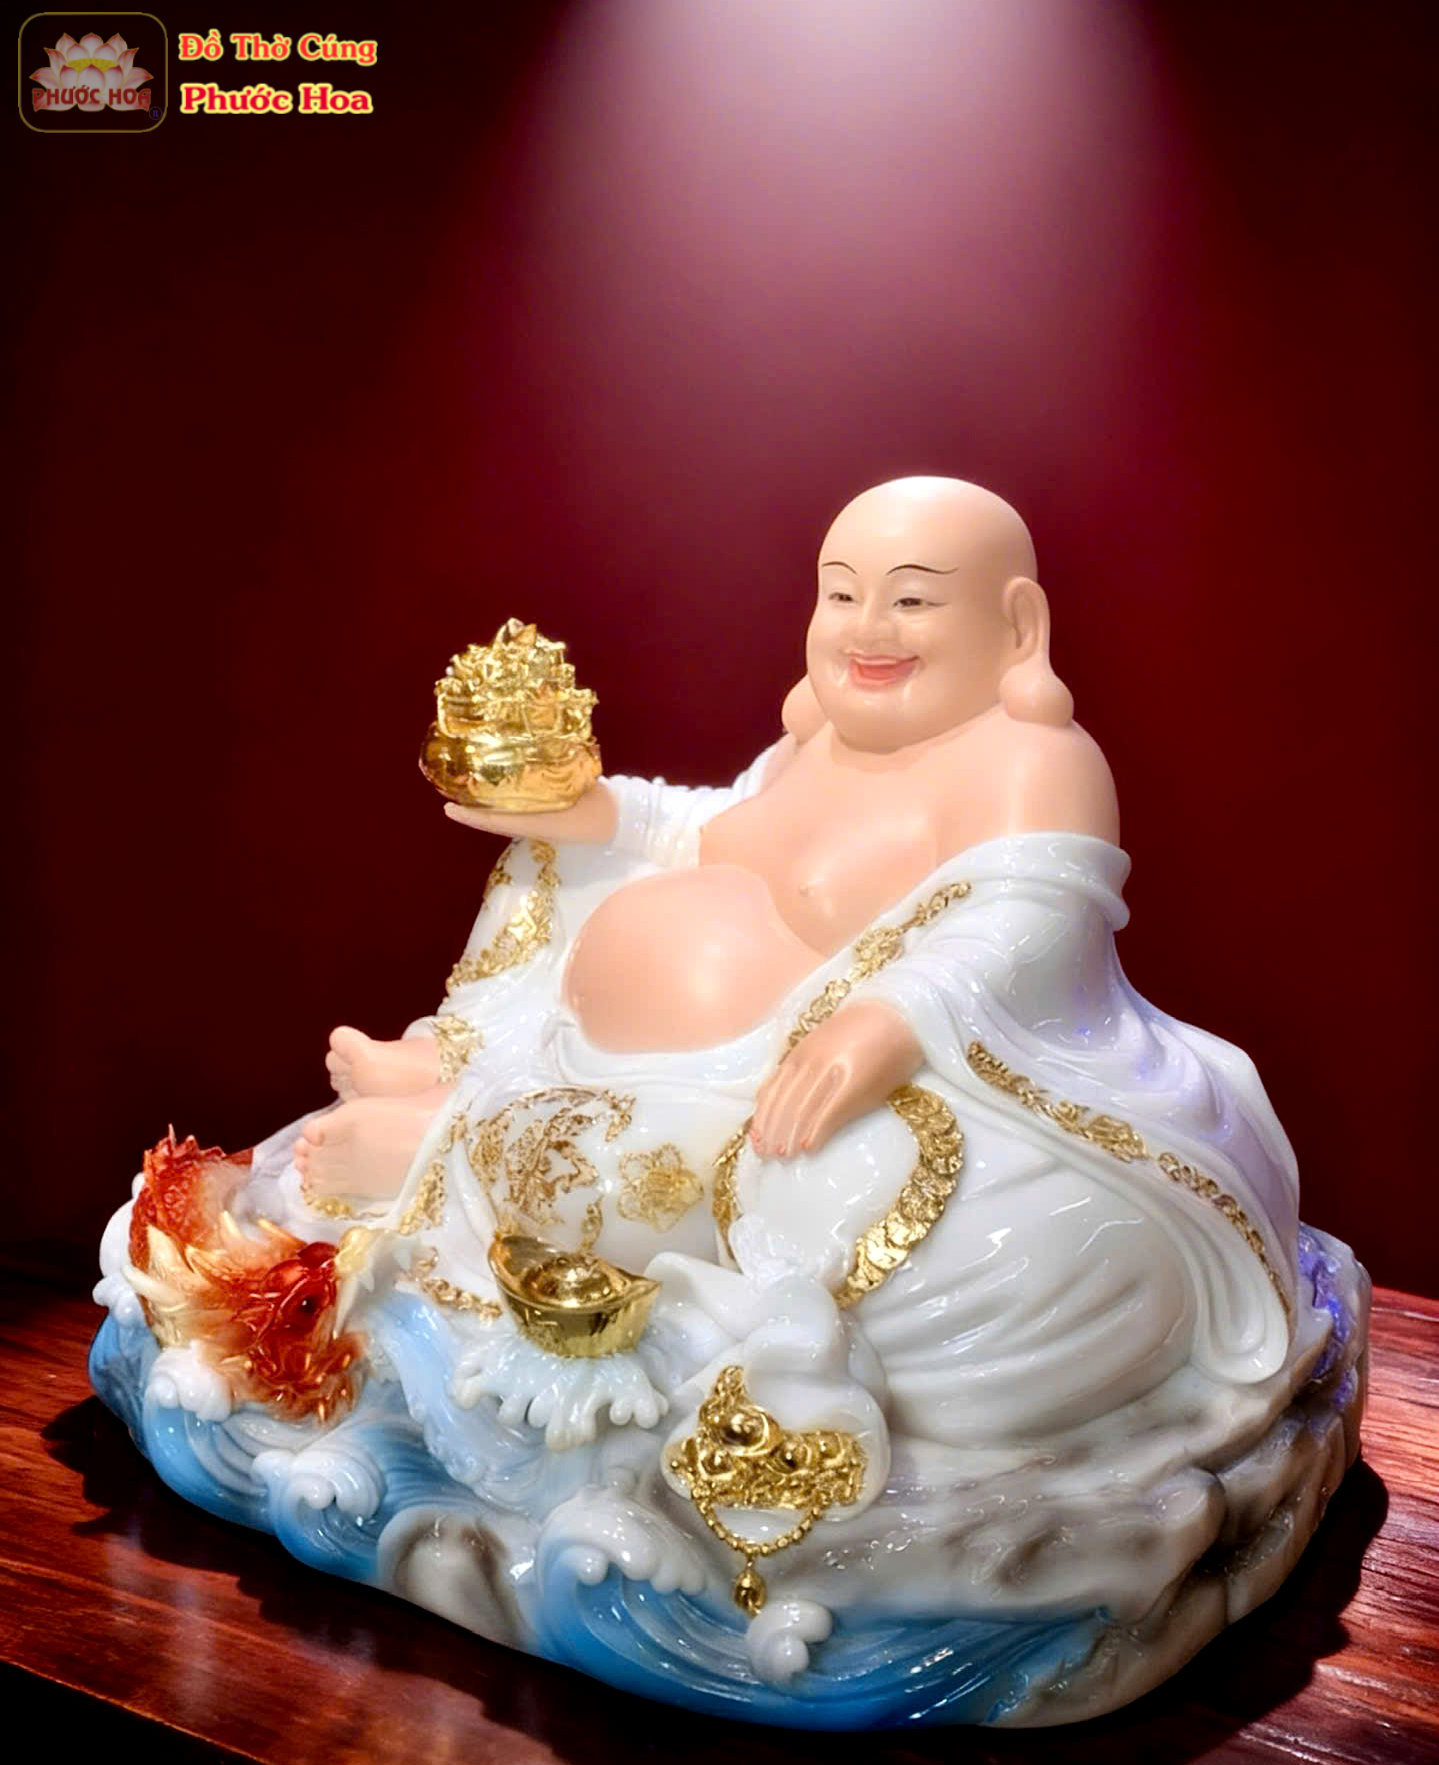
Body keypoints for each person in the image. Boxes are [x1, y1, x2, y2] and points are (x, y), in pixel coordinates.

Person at [96, 477, 1364, 1726]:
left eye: (911, 598)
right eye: (840, 593)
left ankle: (448, 1146)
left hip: (865, 1077)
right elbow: (713, 834)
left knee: (912, 1225)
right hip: (648, 1060)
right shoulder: (814, 748)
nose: (867, 627)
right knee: (556, 854)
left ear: (1015, 625)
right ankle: (466, 1066)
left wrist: (888, 1020)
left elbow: (1029, 917)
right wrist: (595, 812)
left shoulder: (1028, 762)